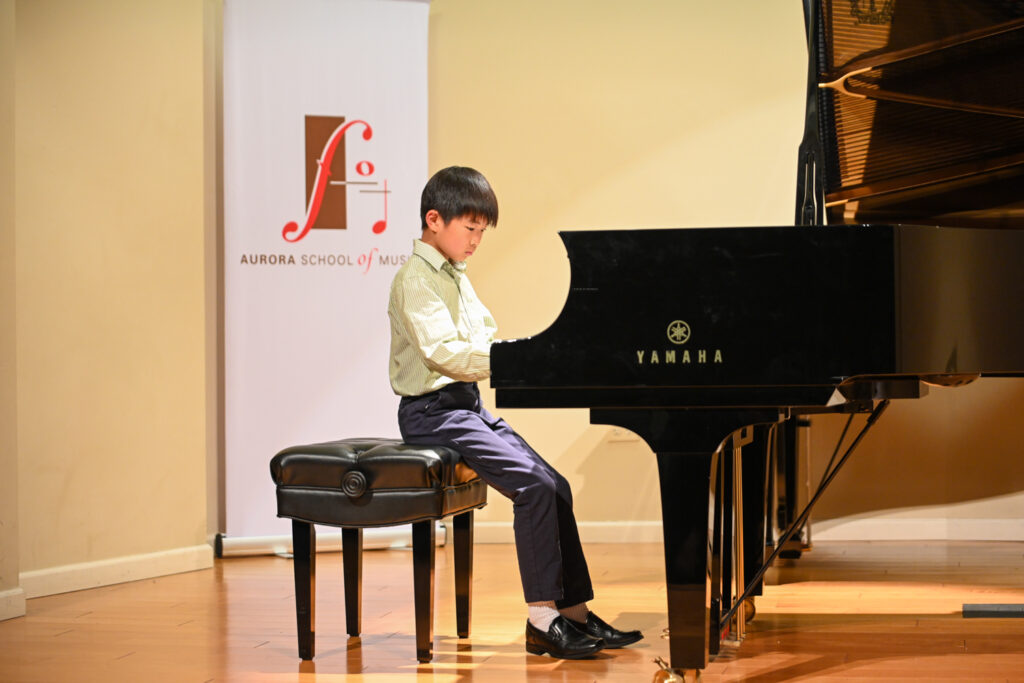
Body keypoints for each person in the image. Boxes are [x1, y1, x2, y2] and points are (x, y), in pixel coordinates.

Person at [388, 166, 643, 659]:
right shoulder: (415, 279)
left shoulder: (455, 276)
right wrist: (516, 360)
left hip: (464, 406)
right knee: (532, 488)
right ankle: (542, 620)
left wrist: (532, 353)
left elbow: (484, 335)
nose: (476, 241)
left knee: (556, 485)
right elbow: (444, 353)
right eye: (470, 228)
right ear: (434, 220)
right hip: (432, 412)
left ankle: (575, 614)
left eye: (482, 231)